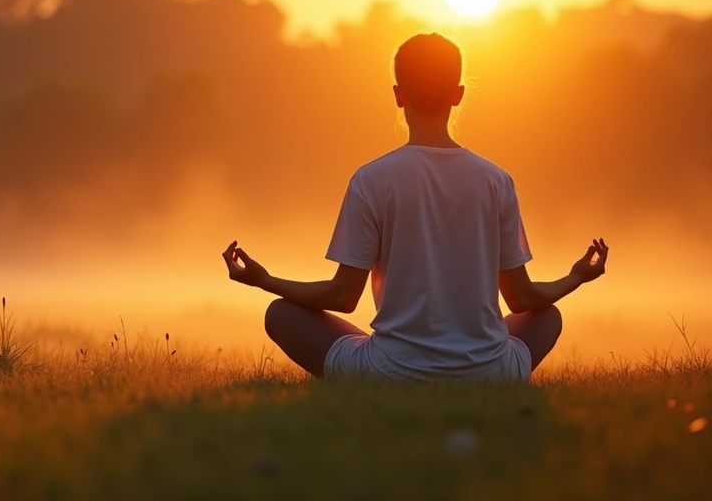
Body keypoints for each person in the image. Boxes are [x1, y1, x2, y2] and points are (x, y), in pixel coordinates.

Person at [221, 33, 608, 381]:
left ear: (398, 94)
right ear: (458, 94)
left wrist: (265, 280)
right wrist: (576, 276)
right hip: (489, 373)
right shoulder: (496, 181)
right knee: (547, 316)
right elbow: (522, 299)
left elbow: (342, 296)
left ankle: (396, 366)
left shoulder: (371, 180)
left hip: (390, 373)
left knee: (280, 314)